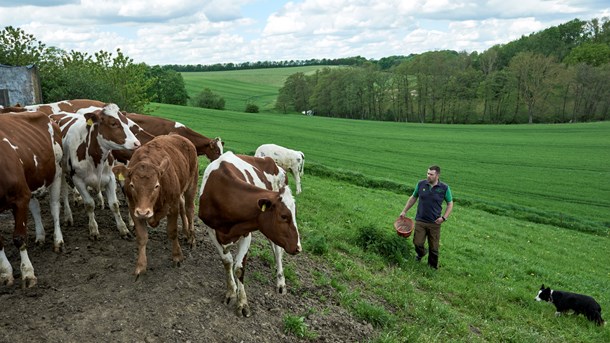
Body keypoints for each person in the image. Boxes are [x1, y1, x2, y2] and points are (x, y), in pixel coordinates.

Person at [400, 165, 453, 269]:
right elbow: (413, 198)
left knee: (434, 247)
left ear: (437, 175)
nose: (428, 176)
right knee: (417, 243)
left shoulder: (444, 188)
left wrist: (444, 218)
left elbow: (450, 203)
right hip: (420, 220)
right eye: (428, 173)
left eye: (431, 174)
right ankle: (421, 253)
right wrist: (404, 211)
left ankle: (432, 268)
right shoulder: (421, 184)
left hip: (435, 223)